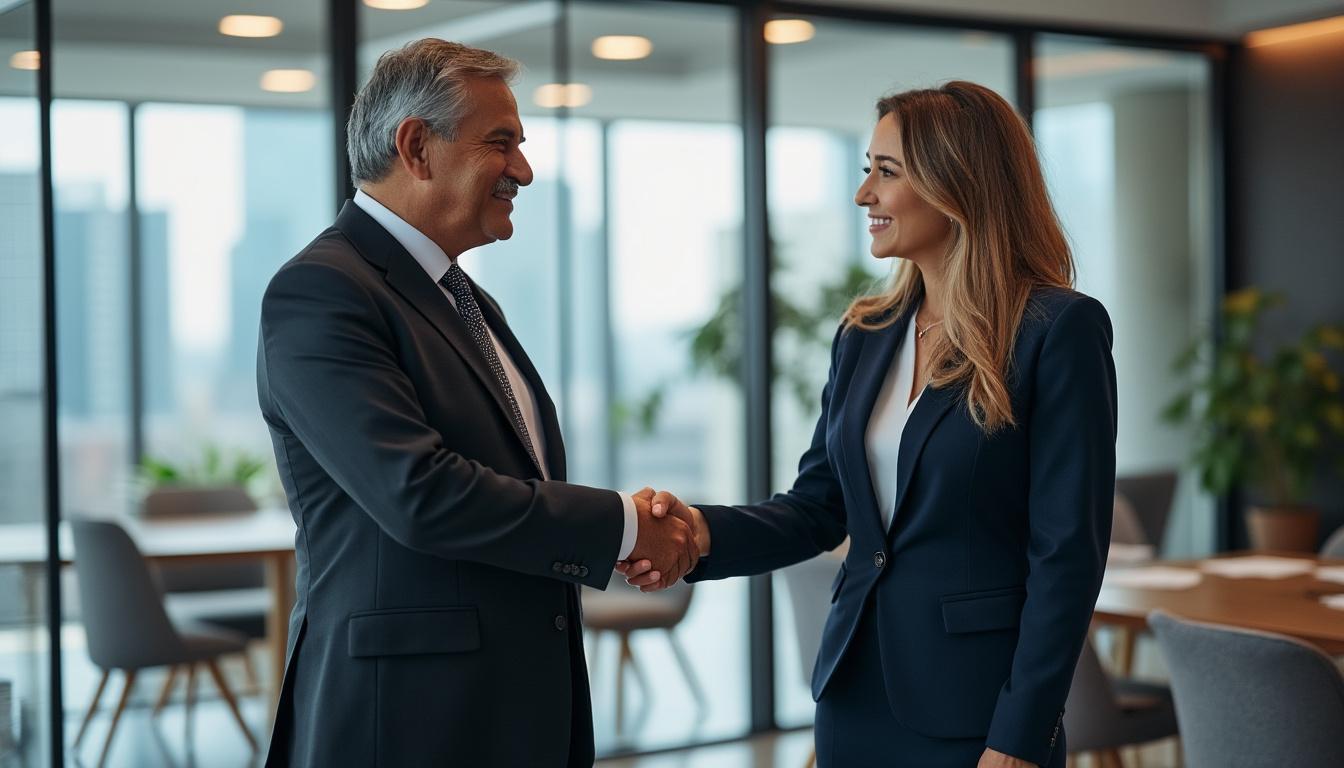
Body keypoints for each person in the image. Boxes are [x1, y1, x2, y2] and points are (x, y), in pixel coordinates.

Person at [624, 81, 1117, 767]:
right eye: (866, 171)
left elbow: (1066, 556)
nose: (864, 196)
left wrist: (1021, 732)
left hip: (982, 710)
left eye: (887, 173)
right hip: (855, 692)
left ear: (958, 182)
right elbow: (819, 508)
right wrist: (701, 531)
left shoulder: (1057, 330)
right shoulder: (866, 333)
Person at [256, 39, 695, 767]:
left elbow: (515, 487)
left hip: (515, 712)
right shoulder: (322, 291)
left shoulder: (465, 299)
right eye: (502, 143)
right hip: (405, 724)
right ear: (417, 146)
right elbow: (419, 494)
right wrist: (619, 527)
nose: (524, 169)